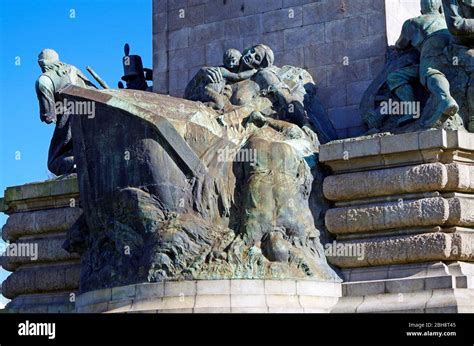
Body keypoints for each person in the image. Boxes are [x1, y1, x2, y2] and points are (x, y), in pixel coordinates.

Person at [389, 0, 459, 127]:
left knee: (429, 72)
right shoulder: (446, 20)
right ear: (439, 8)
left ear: (421, 10)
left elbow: (400, 45)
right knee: (398, 76)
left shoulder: (413, 22)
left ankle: (444, 100)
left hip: (432, 48)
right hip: (453, 50)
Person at [35, 48, 96, 175]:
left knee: (53, 162)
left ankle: (82, 164)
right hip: (95, 116)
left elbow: (48, 117)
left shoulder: (44, 80)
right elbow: (95, 91)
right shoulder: (72, 69)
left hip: (70, 118)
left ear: (42, 64)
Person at [184, 48, 257, 110]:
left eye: (233, 61)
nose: (231, 64)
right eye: (228, 61)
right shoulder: (223, 70)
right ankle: (200, 107)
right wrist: (253, 71)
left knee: (220, 104)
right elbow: (238, 76)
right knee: (219, 104)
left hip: (212, 91)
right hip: (209, 90)